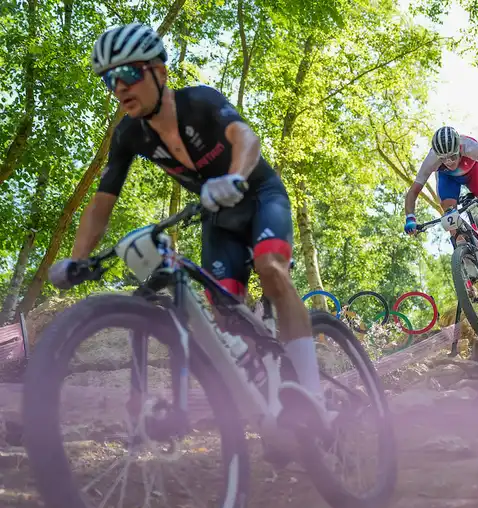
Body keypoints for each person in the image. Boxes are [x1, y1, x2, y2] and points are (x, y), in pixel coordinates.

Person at [47, 23, 329, 433]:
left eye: (127, 74)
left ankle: (314, 396)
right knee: (224, 310)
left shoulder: (200, 102)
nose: (118, 87)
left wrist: (233, 177)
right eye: (109, 79)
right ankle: (271, 403)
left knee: (271, 270)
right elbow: (100, 204)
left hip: (260, 196)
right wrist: (76, 259)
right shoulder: (128, 134)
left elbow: (246, 138)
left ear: (159, 72)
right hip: (217, 216)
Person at [403, 126, 478, 275]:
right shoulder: (432, 159)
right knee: (450, 215)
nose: (449, 161)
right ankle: (467, 260)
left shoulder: (469, 145)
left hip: (473, 173)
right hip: (448, 180)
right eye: (443, 158)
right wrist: (410, 217)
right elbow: (413, 191)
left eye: (452, 156)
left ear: (459, 148)